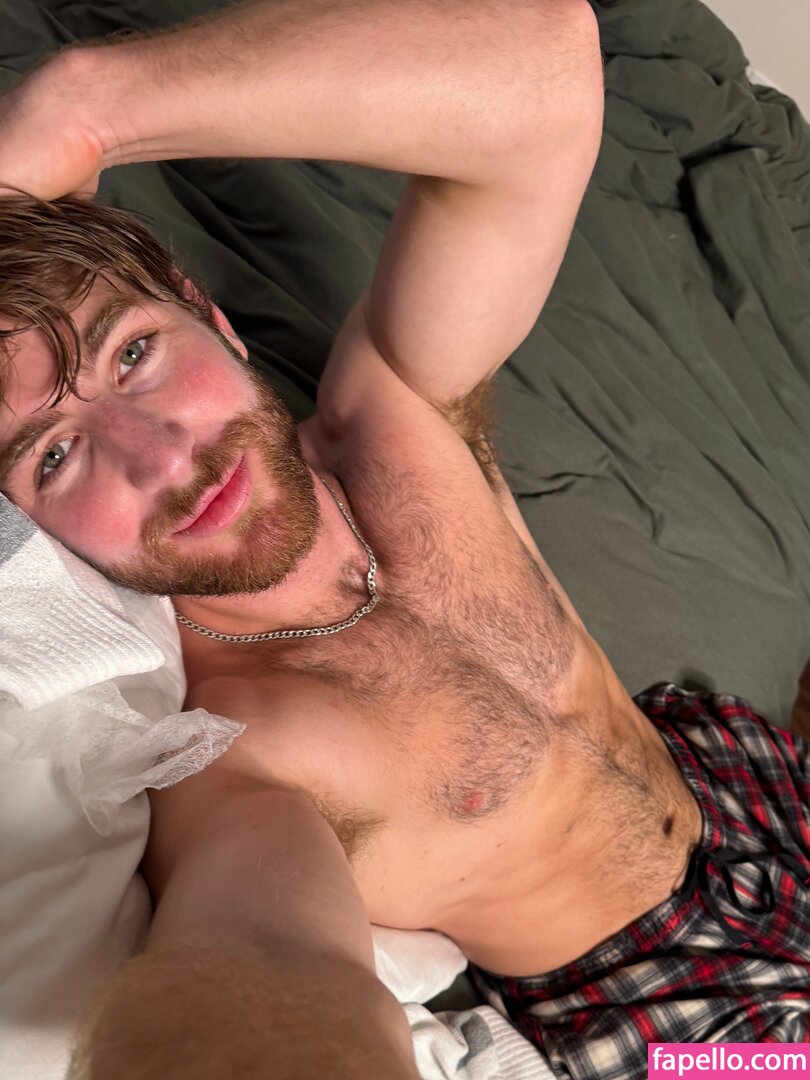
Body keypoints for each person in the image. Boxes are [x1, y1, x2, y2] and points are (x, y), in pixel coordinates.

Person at [0, 1, 807, 1077]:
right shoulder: (244, 754)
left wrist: (85, 109)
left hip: (735, 772)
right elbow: (263, 978)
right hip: (682, 1031)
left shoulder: (395, 421)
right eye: (55, 456)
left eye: (136, 355)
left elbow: (540, 71)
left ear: (215, 318)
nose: (161, 458)